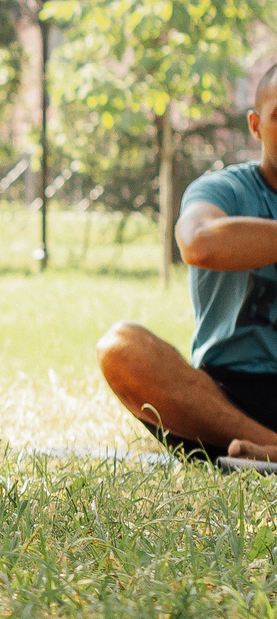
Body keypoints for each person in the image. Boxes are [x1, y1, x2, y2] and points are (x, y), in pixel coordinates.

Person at [96, 63, 277, 462]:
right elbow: (198, 244)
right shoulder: (223, 189)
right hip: (222, 404)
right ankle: (269, 444)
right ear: (256, 125)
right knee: (121, 347)